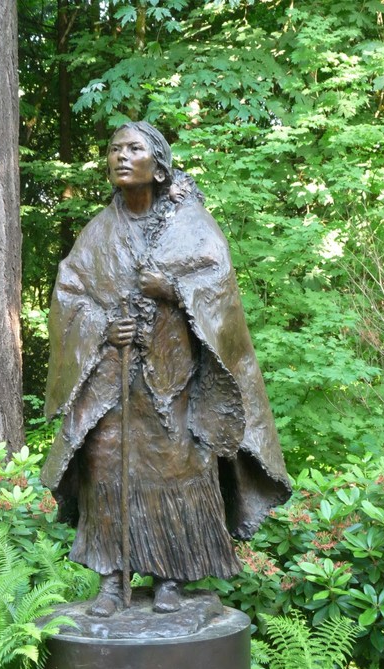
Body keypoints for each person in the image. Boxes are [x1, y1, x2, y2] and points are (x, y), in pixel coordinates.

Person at [41, 121, 291, 616]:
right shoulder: (98, 232)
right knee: (105, 467)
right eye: (115, 149)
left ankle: (170, 578)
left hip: (174, 384)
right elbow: (69, 297)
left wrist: (175, 291)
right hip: (113, 385)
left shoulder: (191, 224)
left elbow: (220, 293)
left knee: (177, 468)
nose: (121, 156)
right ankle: (112, 580)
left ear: (157, 166)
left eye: (134, 149)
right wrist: (102, 328)